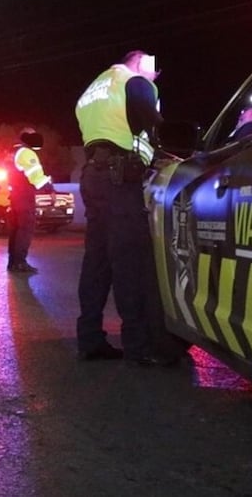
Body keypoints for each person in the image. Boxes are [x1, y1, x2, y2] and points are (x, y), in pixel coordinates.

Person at [73, 50, 180, 365]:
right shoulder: (133, 81)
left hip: (92, 175)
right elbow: (156, 126)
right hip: (120, 180)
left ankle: (89, 339)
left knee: (97, 262)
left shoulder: (92, 90)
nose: (154, 80)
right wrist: (176, 150)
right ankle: (139, 345)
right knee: (130, 261)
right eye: (153, 73)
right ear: (141, 64)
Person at [7, 127, 52, 274]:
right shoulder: (26, 152)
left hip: (15, 196)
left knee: (16, 230)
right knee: (26, 228)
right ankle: (20, 262)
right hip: (24, 197)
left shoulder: (13, 152)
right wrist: (50, 189)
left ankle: (13, 262)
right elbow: (35, 175)